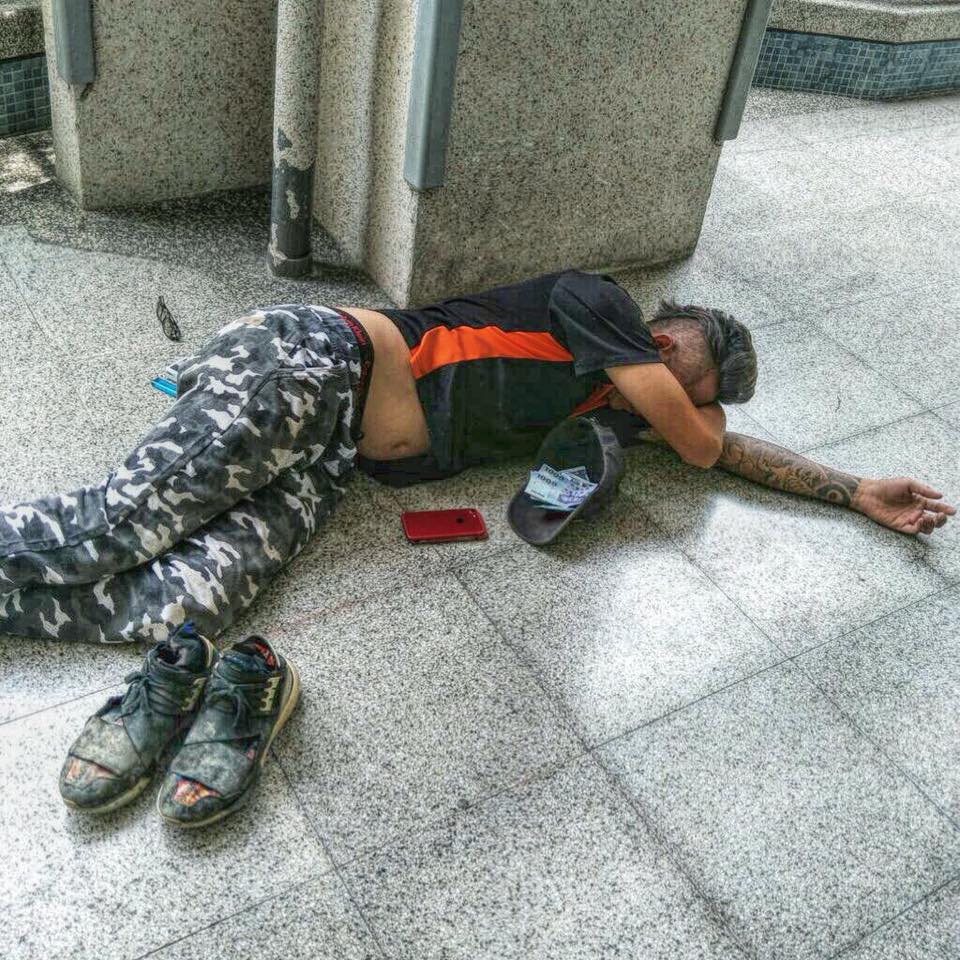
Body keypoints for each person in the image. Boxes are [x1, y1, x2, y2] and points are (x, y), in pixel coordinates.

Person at [0, 268, 953, 647]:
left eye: (684, 399)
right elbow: (703, 445)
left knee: (189, 606)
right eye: (681, 383)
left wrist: (853, 489)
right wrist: (688, 418)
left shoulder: (612, 399)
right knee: (115, 529)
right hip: (312, 364)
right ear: (659, 341)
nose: (673, 410)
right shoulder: (600, 304)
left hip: (331, 460)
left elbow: (722, 448)